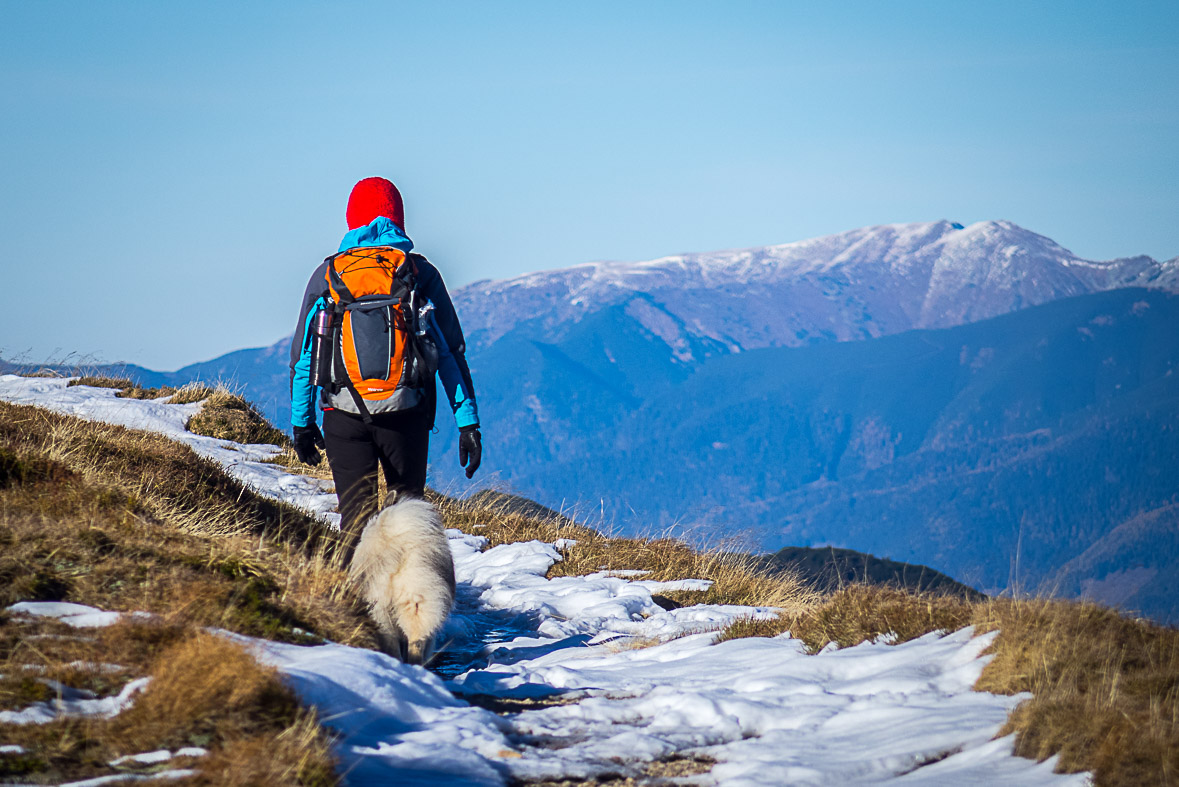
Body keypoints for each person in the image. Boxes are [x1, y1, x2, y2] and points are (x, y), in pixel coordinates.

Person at [288, 177, 481, 563]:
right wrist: (468, 423)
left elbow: (304, 357)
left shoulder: (328, 275)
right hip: (405, 413)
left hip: (342, 414)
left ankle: (358, 613)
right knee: (408, 521)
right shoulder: (418, 273)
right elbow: (448, 353)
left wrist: (302, 423)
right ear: (398, 216)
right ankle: (411, 612)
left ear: (351, 219)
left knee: (356, 523)